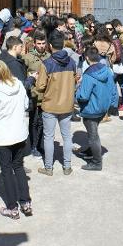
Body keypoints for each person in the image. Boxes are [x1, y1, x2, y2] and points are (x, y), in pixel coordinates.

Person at [0, 60, 32, 220]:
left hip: (3, 137)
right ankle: (26, 202)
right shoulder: (18, 84)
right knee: (18, 167)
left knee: (6, 171)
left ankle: (12, 207)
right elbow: (26, 104)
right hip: (19, 134)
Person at [36, 32, 77, 176]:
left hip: (50, 105)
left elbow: (40, 86)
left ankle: (49, 168)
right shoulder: (72, 62)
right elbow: (75, 81)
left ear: (50, 46)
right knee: (67, 136)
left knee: (49, 137)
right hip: (67, 105)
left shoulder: (46, 64)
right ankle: (67, 166)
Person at [75, 47, 118, 170]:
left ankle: (97, 162)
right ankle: (91, 151)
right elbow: (113, 89)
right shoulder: (107, 70)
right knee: (93, 132)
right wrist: (113, 105)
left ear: (87, 58)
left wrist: (77, 91)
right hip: (103, 108)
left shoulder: (88, 74)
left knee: (93, 135)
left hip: (91, 109)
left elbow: (83, 96)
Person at [23, 30, 50, 158]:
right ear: (34, 44)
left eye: (43, 43)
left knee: (43, 122)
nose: (41, 45)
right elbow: (24, 77)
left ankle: (40, 145)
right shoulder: (27, 58)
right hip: (33, 95)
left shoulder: (49, 57)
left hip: (46, 95)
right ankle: (33, 146)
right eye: (38, 43)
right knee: (33, 122)